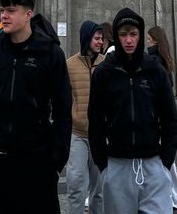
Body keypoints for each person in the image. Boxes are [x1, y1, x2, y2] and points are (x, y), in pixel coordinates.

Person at [0, 0, 72, 214]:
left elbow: (63, 110)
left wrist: (56, 161)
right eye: (2, 10)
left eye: (11, 10)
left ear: (28, 14)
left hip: (35, 160)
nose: (4, 16)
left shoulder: (50, 54)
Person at [88, 7, 177, 214]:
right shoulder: (104, 73)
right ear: (116, 36)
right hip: (117, 165)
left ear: (140, 35)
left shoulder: (155, 71)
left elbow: (169, 118)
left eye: (133, 34)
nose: (128, 40)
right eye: (123, 34)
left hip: (153, 163)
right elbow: (96, 120)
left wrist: (166, 163)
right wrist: (103, 165)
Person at [66, 21, 105, 214]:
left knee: (99, 190)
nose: (100, 42)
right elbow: (64, 99)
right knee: (76, 185)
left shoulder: (106, 64)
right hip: (77, 135)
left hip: (101, 136)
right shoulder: (70, 65)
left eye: (102, 38)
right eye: (97, 38)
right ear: (86, 39)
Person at [146, 28, 177, 209]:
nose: (147, 42)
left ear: (155, 40)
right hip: (163, 116)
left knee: (160, 162)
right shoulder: (165, 60)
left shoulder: (153, 61)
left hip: (156, 117)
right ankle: (174, 196)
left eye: (149, 39)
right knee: (167, 161)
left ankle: (170, 197)